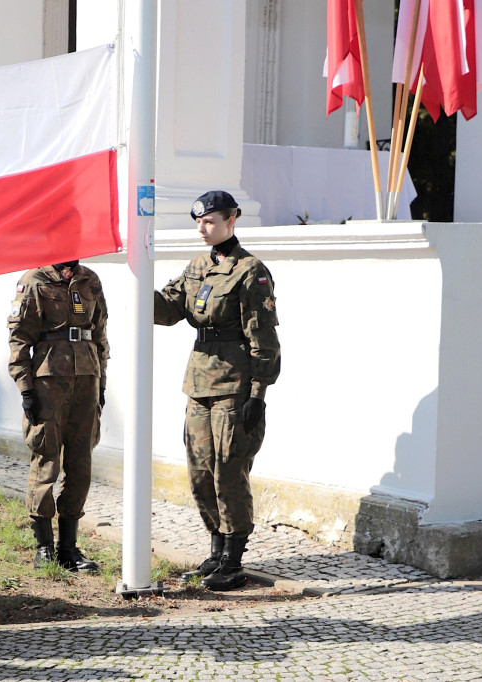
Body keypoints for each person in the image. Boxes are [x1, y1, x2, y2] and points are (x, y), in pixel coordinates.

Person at [153, 190, 280, 591]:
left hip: (235, 385)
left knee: (229, 471)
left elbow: (264, 338)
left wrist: (257, 395)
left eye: (209, 221)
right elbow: (169, 311)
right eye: (198, 222)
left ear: (231, 220)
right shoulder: (196, 267)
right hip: (199, 383)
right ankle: (215, 547)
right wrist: (135, 285)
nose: (202, 229)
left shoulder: (250, 271)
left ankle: (233, 557)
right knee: (200, 472)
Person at [7, 259, 109, 572]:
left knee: (81, 464)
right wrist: (26, 389)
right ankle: (44, 547)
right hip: (48, 382)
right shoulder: (34, 280)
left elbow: (100, 336)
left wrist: (101, 383)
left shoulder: (89, 280)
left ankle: (69, 548)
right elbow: (19, 338)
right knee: (46, 459)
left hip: (86, 382)